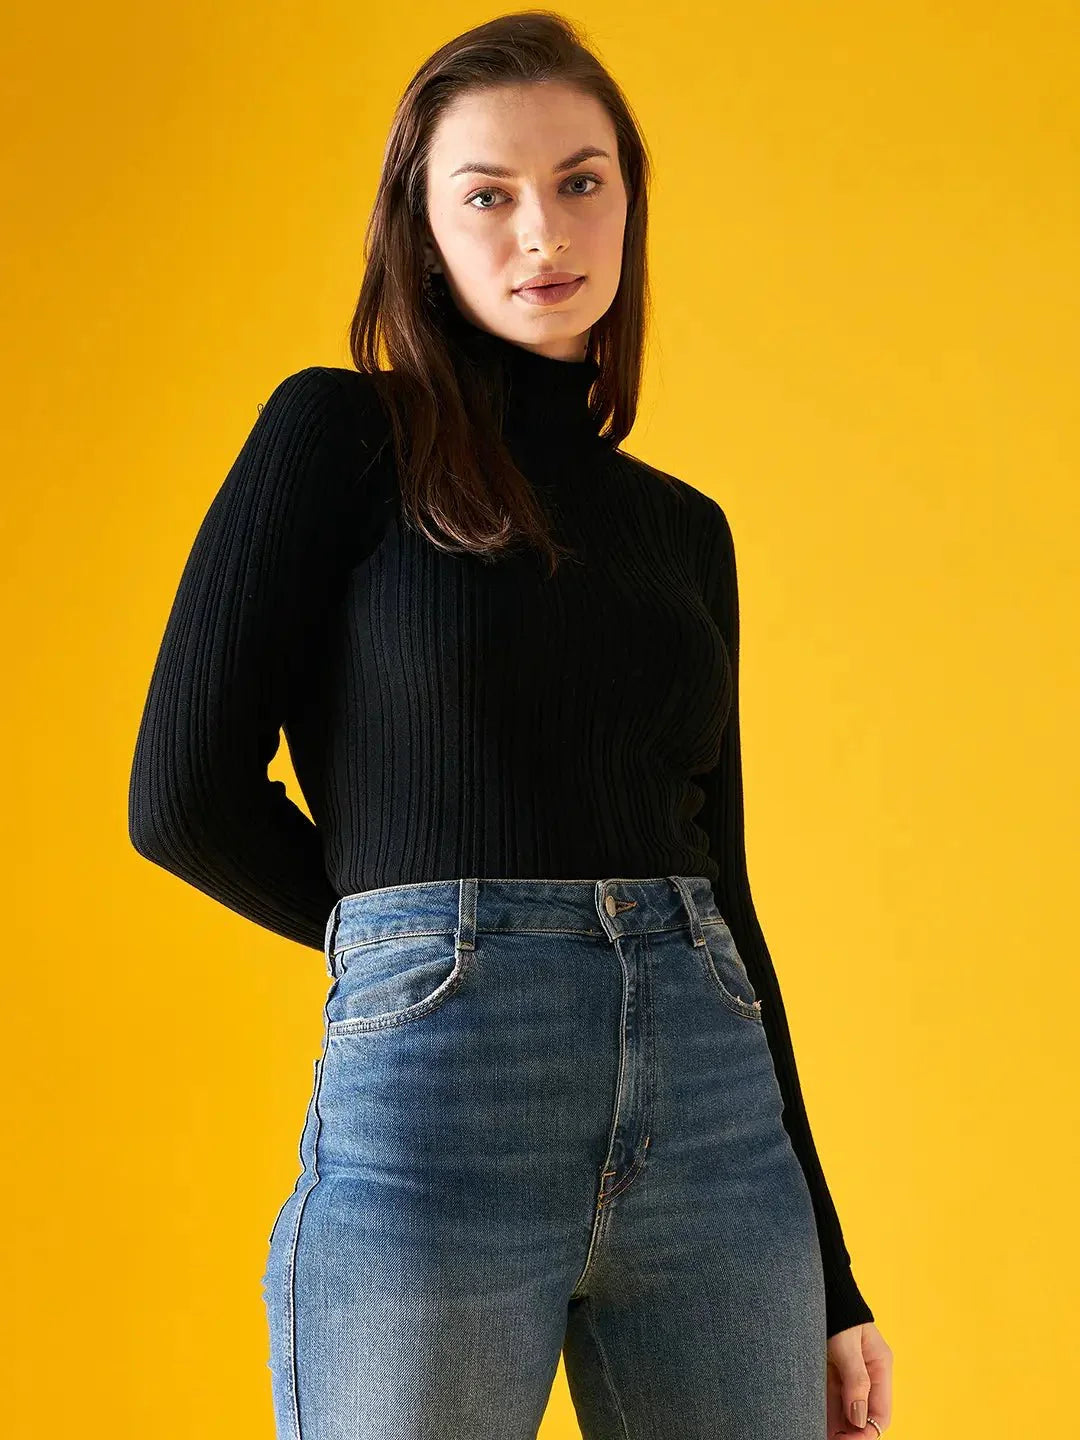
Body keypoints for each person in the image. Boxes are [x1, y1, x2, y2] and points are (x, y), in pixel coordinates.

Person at [127, 12, 892, 1438]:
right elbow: (181, 796)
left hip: (719, 1139)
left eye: (582, 180)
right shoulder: (340, 438)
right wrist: (436, 951)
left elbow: (725, 894)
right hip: (436, 1123)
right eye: (488, 192)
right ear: (422, 229)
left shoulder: (682, 532)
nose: (544, 228)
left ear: (629, 203)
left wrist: (833, 1272)